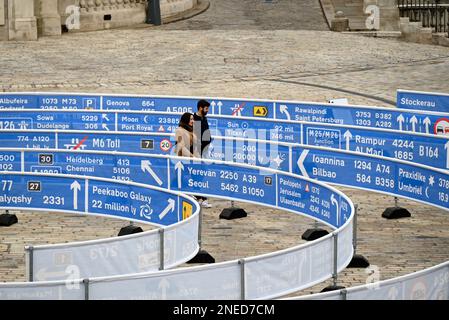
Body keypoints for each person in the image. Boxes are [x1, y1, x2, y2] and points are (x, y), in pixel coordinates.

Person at [193, 99, 213, 208]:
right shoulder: (195, 119)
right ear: (200, 108)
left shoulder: (204, 118)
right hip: (198, 151)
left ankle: (199, 196)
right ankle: (200, 197)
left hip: (205, 150)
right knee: (198, 173)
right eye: (206, 108)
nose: (207, 110)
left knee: (202, 173)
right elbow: (196, 138)